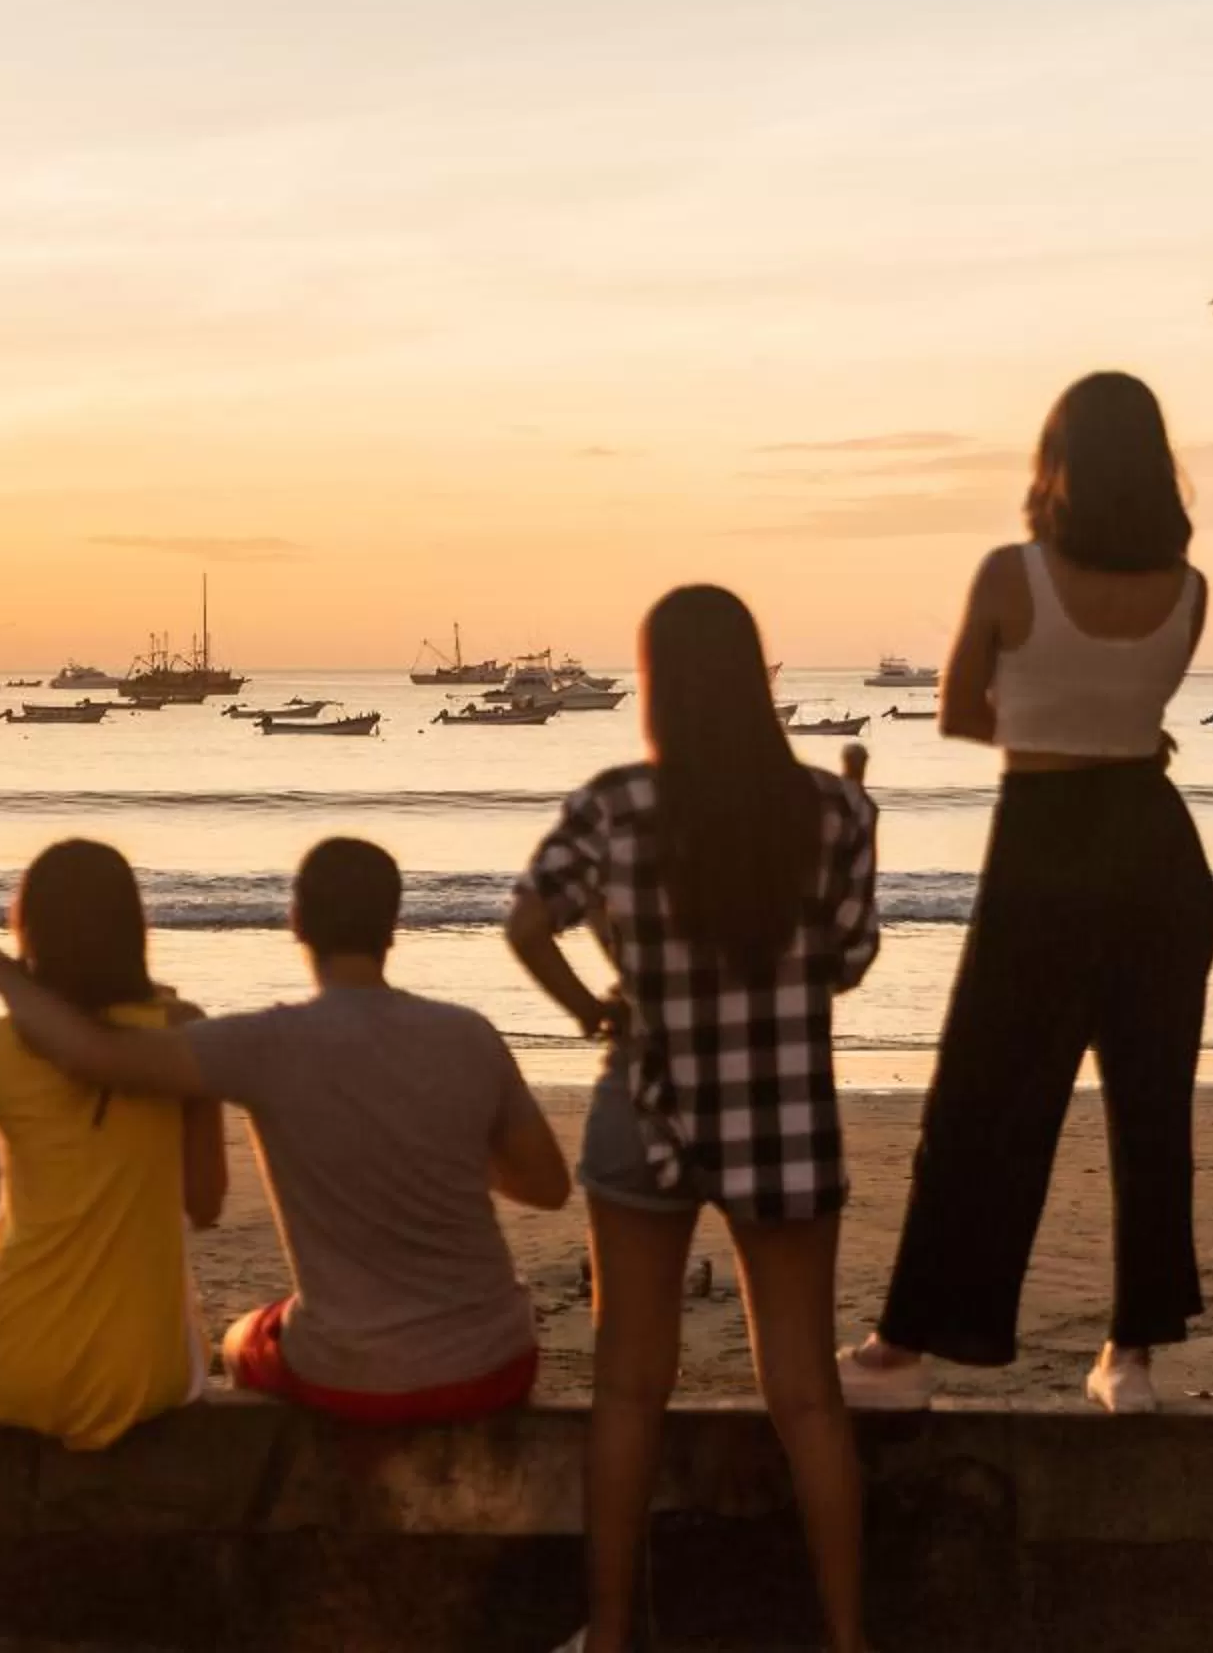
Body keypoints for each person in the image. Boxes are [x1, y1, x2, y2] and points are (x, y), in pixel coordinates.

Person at [507, 585, 878, 1653]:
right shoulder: (834, 809)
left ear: (658, 686)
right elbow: (845, 965)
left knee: (629, 1386)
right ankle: (847, 1639)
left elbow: (528, 921)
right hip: (786, 1116)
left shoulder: (616, 802)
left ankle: (614, 1635)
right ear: (759, 681)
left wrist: (591, 1008)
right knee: (806, 1393)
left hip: (648, 1101)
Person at [842, 371, 1213, 1416]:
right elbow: (1141, 716)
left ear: (1057, 461)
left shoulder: (1013, 573)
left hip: (1046, 843)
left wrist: (1046, 710)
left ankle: (904, 1345)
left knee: (982, 1100)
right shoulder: (1189, 585)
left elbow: (961, 711)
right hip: (1154, 841)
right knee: (1151, 1108)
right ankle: (1130, 1356)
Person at [0, 837, 568, 1426]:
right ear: (392, 926)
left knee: (237, 1341)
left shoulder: (262, 1046)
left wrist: (4, 976)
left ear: (296, 921)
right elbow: (548, 1186)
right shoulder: (470, 1035)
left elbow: (92, 1056)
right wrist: (437, 1142)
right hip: (497, 1361)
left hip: (356, 1373)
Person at [0, 840, 228, 1451]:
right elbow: (205, 1203)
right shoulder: (185, 1031)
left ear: (28, 929)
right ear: (132, 929)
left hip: (11, 1364)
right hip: (144, 1372)